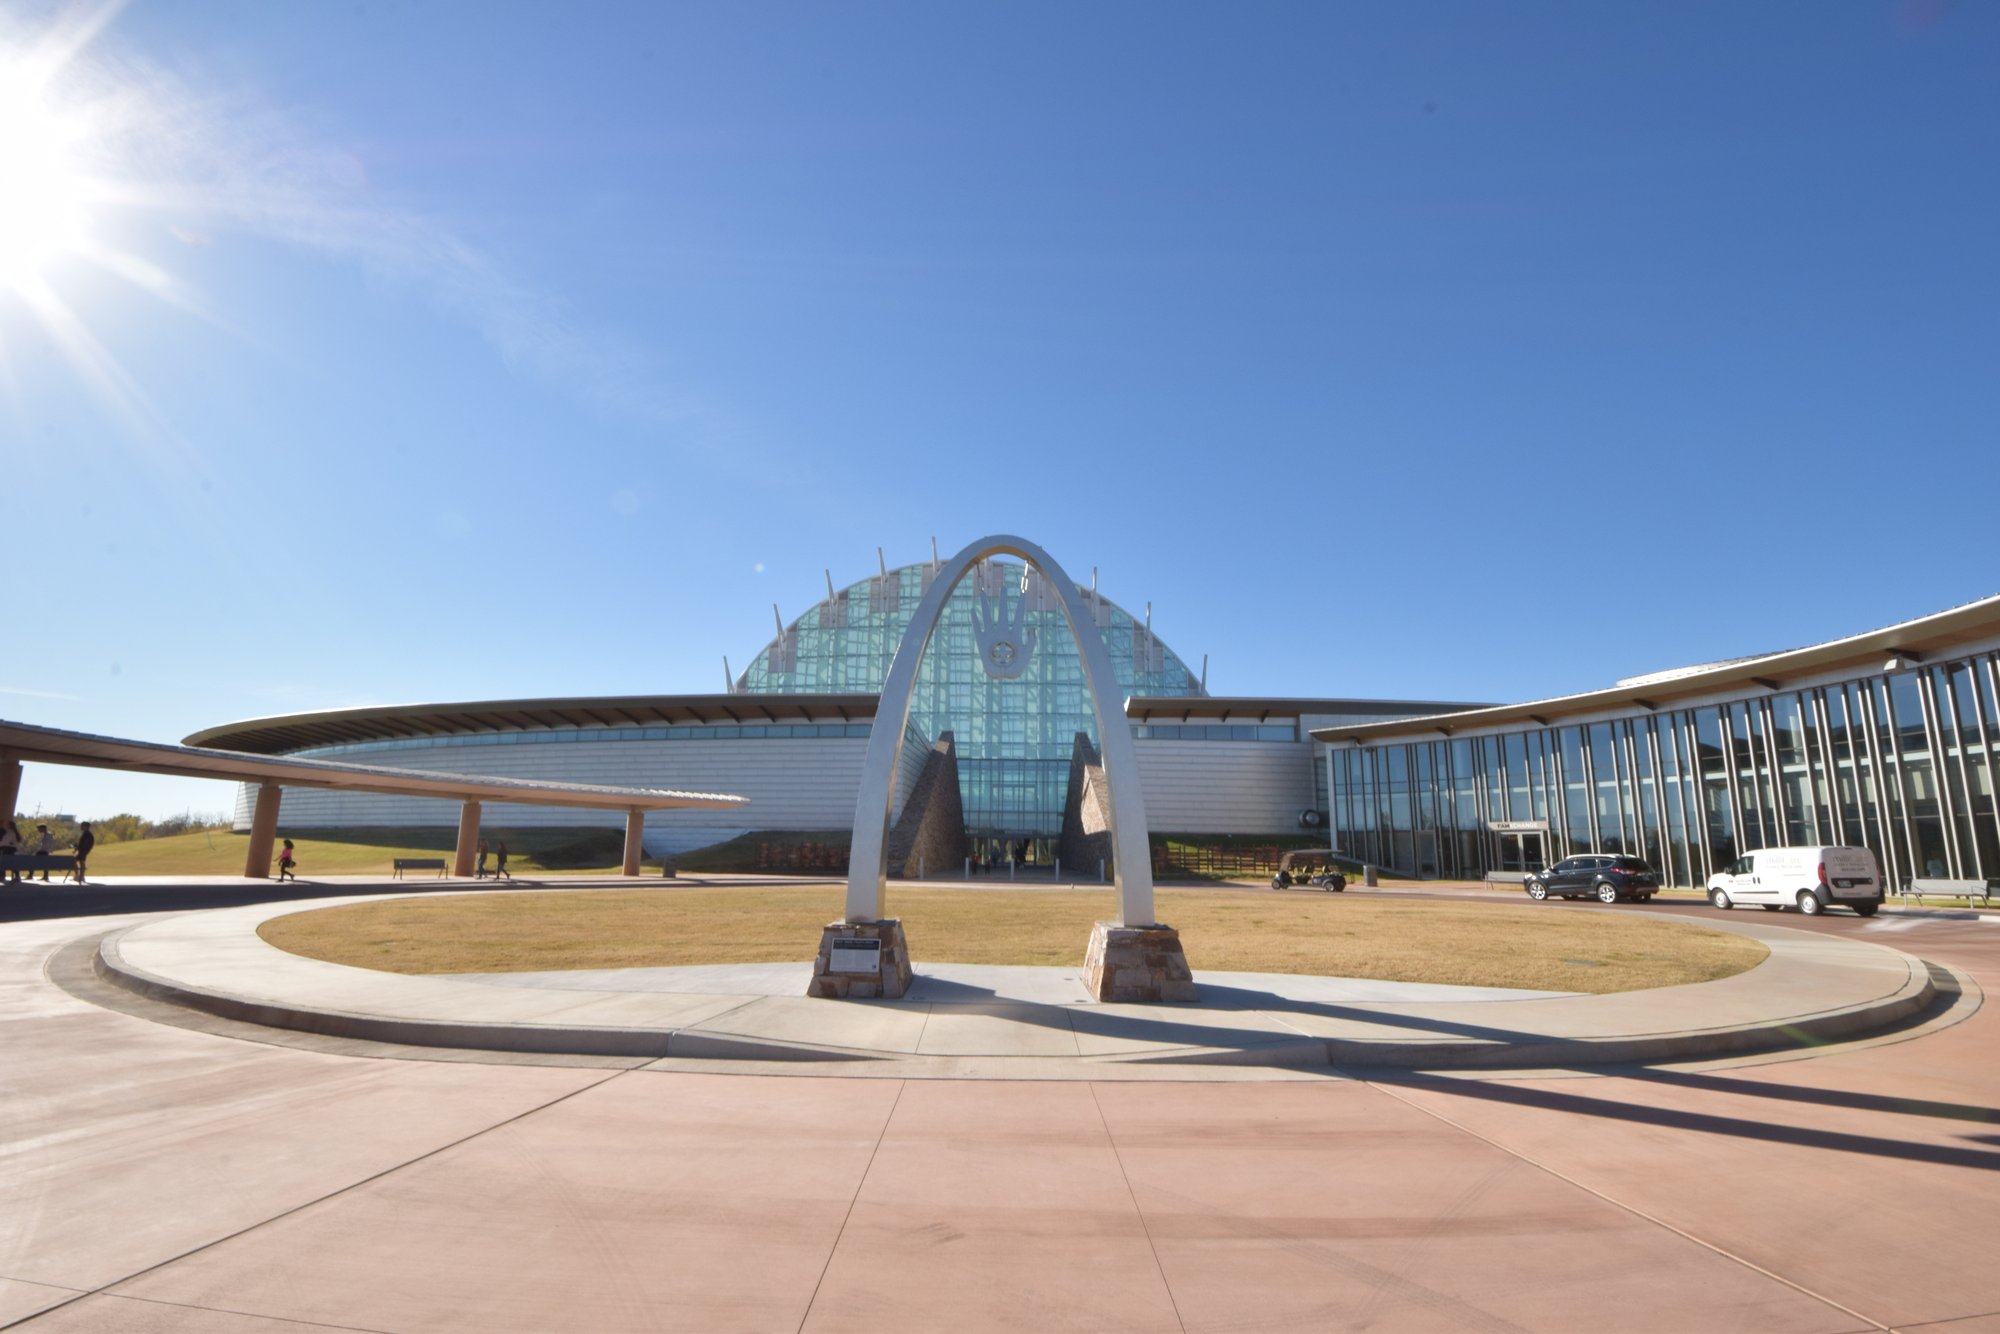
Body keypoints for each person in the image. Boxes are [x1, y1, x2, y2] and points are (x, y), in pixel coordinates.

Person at [0, 819, 20, 884]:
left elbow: (8, 842)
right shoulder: (9, 832)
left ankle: (3, 876)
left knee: (5, 862)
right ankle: (16, 876)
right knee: (10, 862)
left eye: (8, 824)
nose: (7, 825)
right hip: (7, 848)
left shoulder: (12, 833)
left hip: (8, 849)